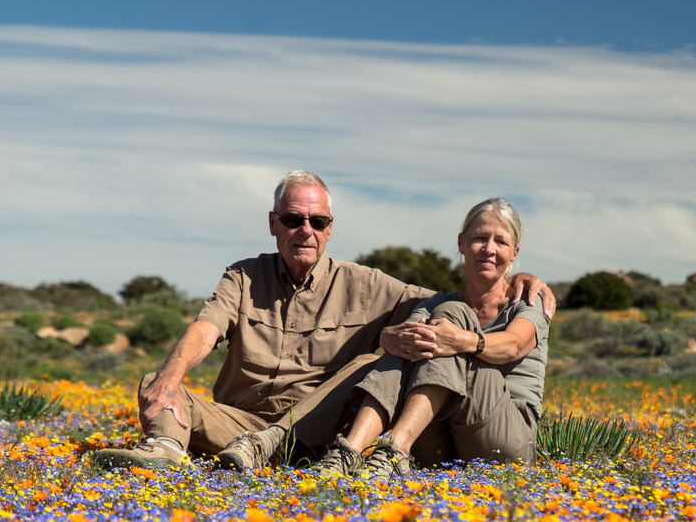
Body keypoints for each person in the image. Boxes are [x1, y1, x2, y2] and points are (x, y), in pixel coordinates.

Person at [89, 172, 556, 472]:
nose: (305, 230)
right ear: (273, 223)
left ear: (330, 228)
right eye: (293, 219)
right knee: (158, 378)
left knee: (405, 344)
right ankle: (164, 455)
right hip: (240, 428)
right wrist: (172, 378)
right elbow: (206, 328)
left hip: (314, 428)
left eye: (317, 220)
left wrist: (520, 278)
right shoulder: (243, 276)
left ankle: (348, 451)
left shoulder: (367, 284)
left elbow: (453, 307)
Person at [313, 197, 548, 481]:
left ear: (514, 253)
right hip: (441, 443)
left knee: (450, 317)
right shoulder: (436, 302)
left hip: (504, 440)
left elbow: (513, 346)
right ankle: (351, 450)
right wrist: (389, 336)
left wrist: (463, 340)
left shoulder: (528, 303)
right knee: (414, 340)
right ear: (461, 243)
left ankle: (394, 447)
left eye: (500, 242)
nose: (489, 249)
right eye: (480, 238)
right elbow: (406, 343)